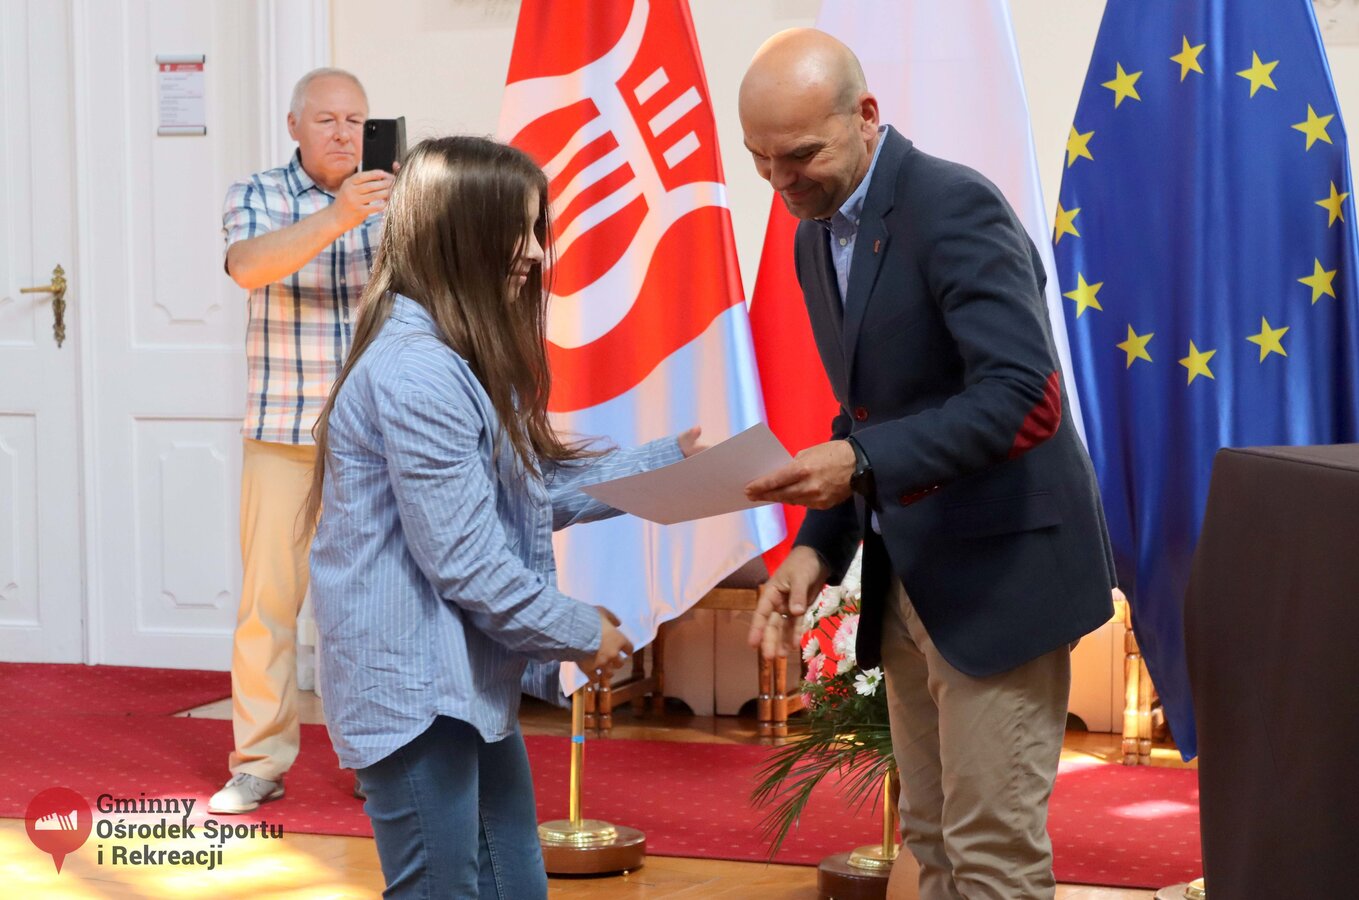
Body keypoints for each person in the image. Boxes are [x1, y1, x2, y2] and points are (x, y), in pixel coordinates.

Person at [739, 29, 1117, 900]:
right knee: (934, 840)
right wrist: (816, 548)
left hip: (999, 575)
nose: (780, 181)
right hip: (911, 571)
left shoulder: (951, 205)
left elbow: (1023, 396)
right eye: (760, 158)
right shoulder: (814, 233)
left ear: (866, 115)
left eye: (800, 155)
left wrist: (858, 458)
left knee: (990, 854)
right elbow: (866, 414)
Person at [305, 135, 704, 899]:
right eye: (516, 230)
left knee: (515, 882)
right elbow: (468, 561)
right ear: (458, 235)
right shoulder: (419, 371)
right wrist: (581, 630)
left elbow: (518, 497)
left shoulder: (448, 356)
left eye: (535, 229)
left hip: (458, 677)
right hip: (414, 686)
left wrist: (666, 466)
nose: (535, 252)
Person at [212, 67, 395, 815]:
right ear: (294, 126)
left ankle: (380, 759)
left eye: (356, 120)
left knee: (370, 608)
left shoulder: (395, 199)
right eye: (326, 120)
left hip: (375, 439)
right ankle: (259, 762)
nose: (343, 134)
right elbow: (249, 267)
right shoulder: (256, 193)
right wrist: (339, 217)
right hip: (282, 430)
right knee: (269, 606)